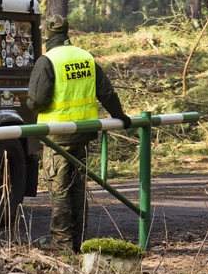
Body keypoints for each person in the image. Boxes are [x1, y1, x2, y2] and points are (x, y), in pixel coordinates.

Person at [27, 14, 131, 254]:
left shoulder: (47, 60)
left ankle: (62, 244)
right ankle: (79, 240)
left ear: (48, 35)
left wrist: (31, 104)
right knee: (76, 188)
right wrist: (121, 117)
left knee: (59, 188)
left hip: (56, 136)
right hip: (83, 133)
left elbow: (40, 100)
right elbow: (106, 93)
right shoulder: (85, 57)